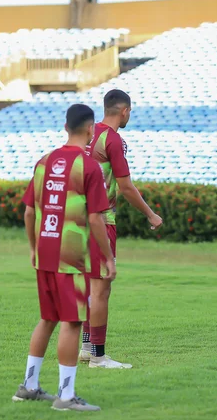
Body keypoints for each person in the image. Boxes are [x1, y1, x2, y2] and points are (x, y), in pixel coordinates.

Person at [12, 104, 116, 411]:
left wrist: (33, 246)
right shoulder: (89, 166)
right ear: (90, 129)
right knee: (72, 322)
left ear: (65, 126)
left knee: (48, 318)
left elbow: (30, 211)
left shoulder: (45, 161)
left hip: (44, 250)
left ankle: (29, 387)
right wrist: (108, 258)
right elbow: (97, 219)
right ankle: (66, 396)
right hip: (70, 255)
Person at [78, 89, 163, 369]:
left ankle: (87, 347)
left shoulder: (87, 135)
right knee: (102, 288)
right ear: (125, 111)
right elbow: (125, 186)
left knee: (92, 286)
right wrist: (151, 214)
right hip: (102, 221)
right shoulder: (113, 140)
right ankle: (99, 357)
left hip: (78, 220)